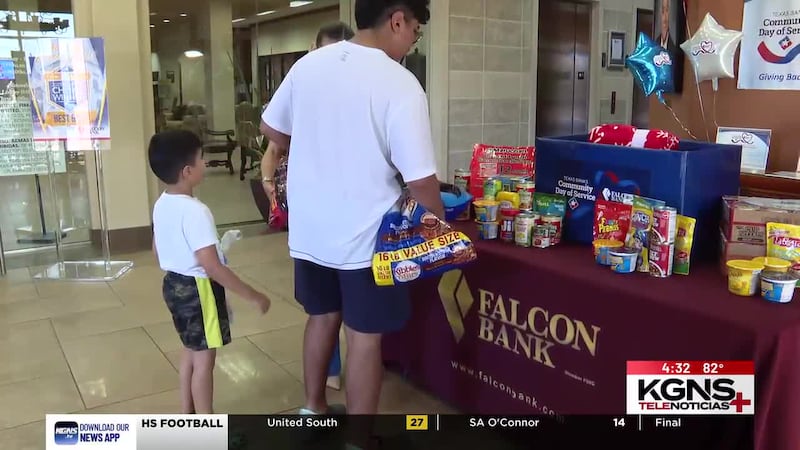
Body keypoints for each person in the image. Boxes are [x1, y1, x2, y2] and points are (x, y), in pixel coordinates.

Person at [261, 0, 442, 420]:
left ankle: (313, 408)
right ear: (397, 20)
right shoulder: (400, 84)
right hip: (365, 236)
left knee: (321, 318)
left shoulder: (309, 66)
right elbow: (420, 179)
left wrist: (319, 152)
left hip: (310, 229)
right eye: (416, 31)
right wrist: (439, 222)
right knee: (363, 337)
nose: (414, 41)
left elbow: (272, 127)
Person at [260, 21, 356, 392]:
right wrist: (270, 186)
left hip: (352, 215)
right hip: (314, 217)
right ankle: (327, 372)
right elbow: (272, 144)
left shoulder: (362, 92)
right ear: (314, 51)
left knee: (352, 303)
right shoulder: (300, 88)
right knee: (323, 305)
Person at [149, 129, 271, 414]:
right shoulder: (196, 211)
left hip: (173, 285)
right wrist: (253, 296)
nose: (205, 163)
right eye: (202, 159)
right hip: (199, 290)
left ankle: (187, 415)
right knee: (205, 362)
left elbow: (157, 250)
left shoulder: (161, 204)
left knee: (191, 352)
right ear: (188, 171)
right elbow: (211, 266)